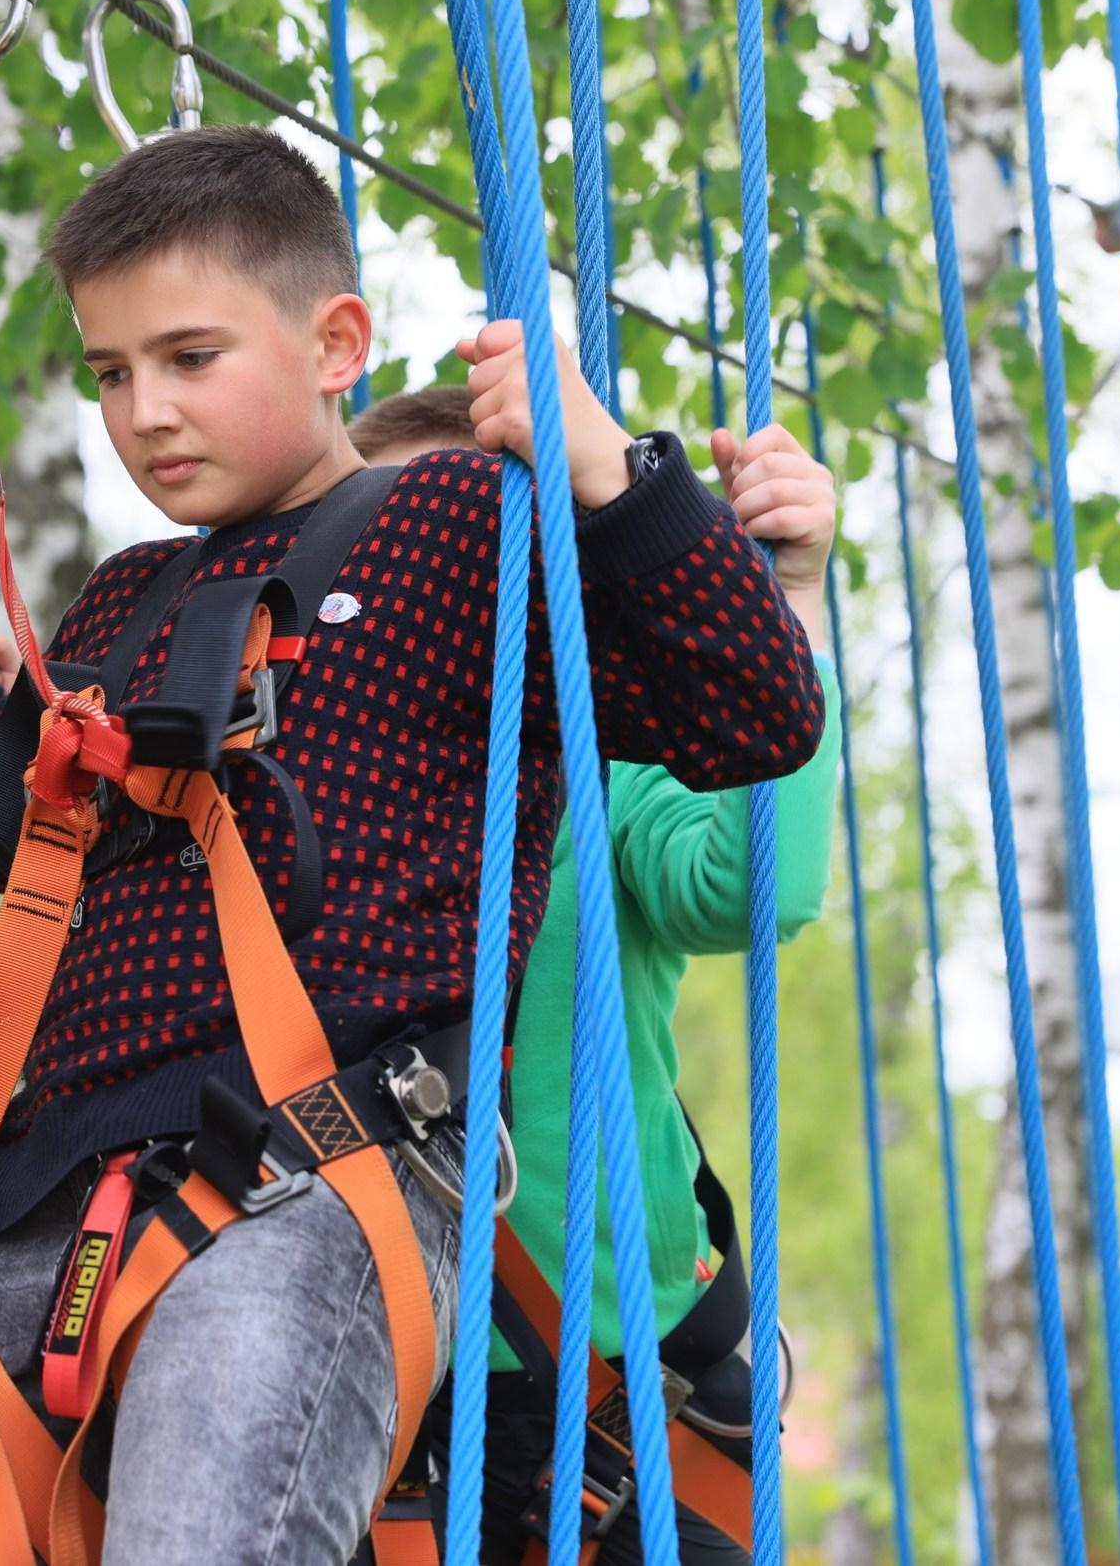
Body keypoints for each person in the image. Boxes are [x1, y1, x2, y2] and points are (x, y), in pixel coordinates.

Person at [0, 124, 825, 1566]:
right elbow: (9, 835)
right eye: (111, 372)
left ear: (338, 342)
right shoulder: (122, 599)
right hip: (61, 1190)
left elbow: (752, 712)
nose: (144, 411)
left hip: (318, 1164)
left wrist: (605, 464)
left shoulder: (463, 525)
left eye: (190, 359)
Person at [352, 387, 844, 1565]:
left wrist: (787, 603)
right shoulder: (303, 783)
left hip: (578, 1368)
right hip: (354, 1350)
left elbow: (751, 886)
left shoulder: (600, 769)